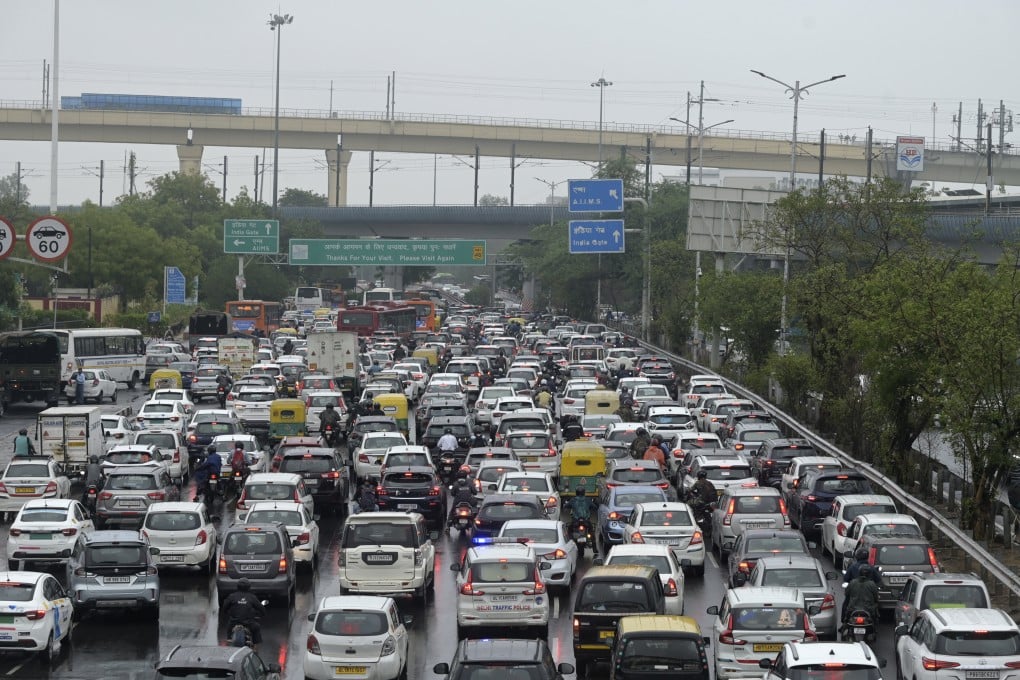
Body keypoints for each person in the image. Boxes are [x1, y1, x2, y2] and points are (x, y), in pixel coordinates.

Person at [223, 578, 267, 648]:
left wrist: (227, 612)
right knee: (256, 628)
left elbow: (225, 607)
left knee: (229, 629)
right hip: (248, 623)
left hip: (234, 623)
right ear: (249, 587)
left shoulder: (232, 596)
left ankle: (229, 640)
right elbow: (261, 609)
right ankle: (255, 648)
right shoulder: (252, 597)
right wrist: (262, 614)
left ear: (237, 586)